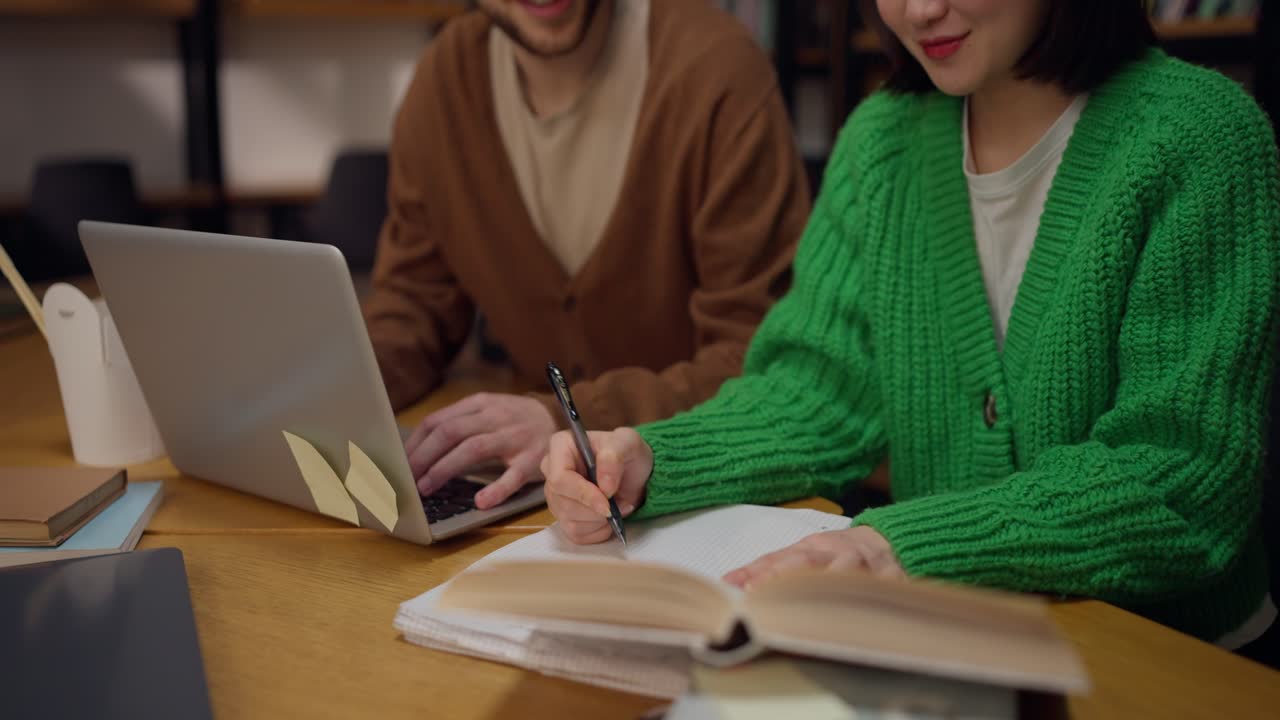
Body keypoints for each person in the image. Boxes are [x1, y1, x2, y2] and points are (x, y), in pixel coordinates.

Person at [543, 0, 1280, 659]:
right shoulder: (882, 142)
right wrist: (651, 460)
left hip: (1170, 660)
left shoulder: (1200, 139)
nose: (918, 10)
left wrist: (895, 547)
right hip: (957, 646)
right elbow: (818, 392)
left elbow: (1182, 476)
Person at [362, 0, 809, 509]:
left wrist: (568, 416)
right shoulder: (444, 79)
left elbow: (760, 356)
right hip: (551, 500)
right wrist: (334, 387)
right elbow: (415, 303)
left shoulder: (717, 69)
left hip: (711, 491)